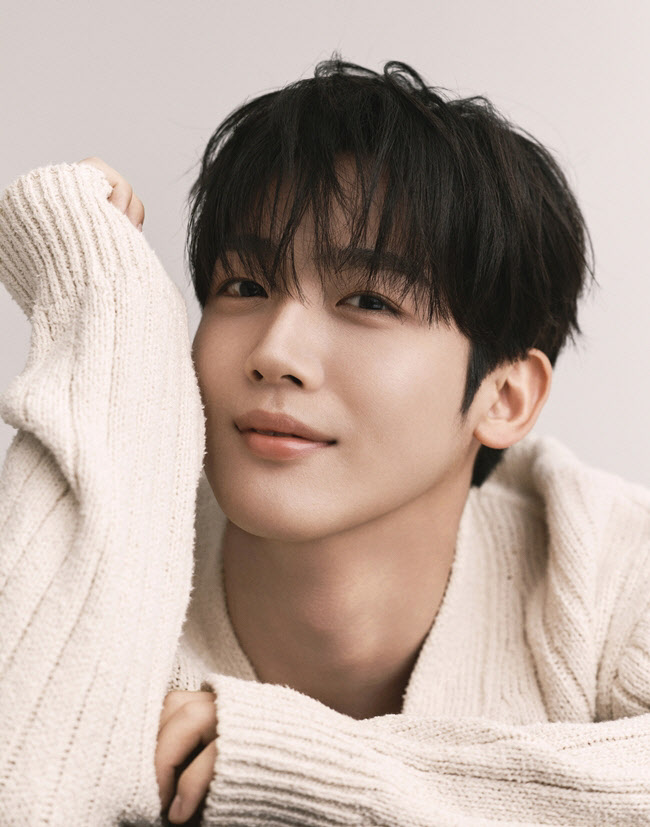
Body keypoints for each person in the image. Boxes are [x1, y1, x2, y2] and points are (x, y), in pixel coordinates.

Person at [0, 57, 648, 826]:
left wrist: (303, 764)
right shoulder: (106, 547)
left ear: (504, 397)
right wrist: (101, 307)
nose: (275, 351)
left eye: (367, 299)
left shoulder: (597, 558)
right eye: (244, 286)